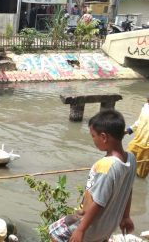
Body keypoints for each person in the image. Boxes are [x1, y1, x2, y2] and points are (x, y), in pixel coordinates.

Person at [49, 110, 136, 242]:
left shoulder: (106, 165)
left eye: (93, 136)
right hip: (107, 227)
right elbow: (128, 190)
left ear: (104, 137)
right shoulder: (131, 158)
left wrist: (81, 230)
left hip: (90, 226)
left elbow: (98, 202)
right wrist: (125, 217)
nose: (93, 140)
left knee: (55, 232)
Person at [126, 94, 149, 178]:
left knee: (141, 174)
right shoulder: (145, 107)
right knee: (126, 162)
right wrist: (128, 131)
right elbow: (139, 122)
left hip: (147, 147)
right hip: (137, 141)